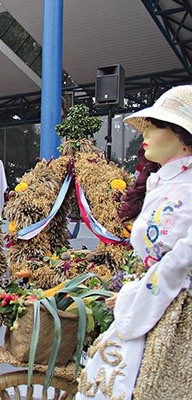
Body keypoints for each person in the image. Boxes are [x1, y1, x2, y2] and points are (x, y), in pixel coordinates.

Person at [77, 85, 192, 399]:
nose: (147, 134)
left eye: (157, 126)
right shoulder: (166, 183)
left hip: (176, 321)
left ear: (181, 136)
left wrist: (133, 296)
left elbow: (180, 263)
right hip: (155, 306)